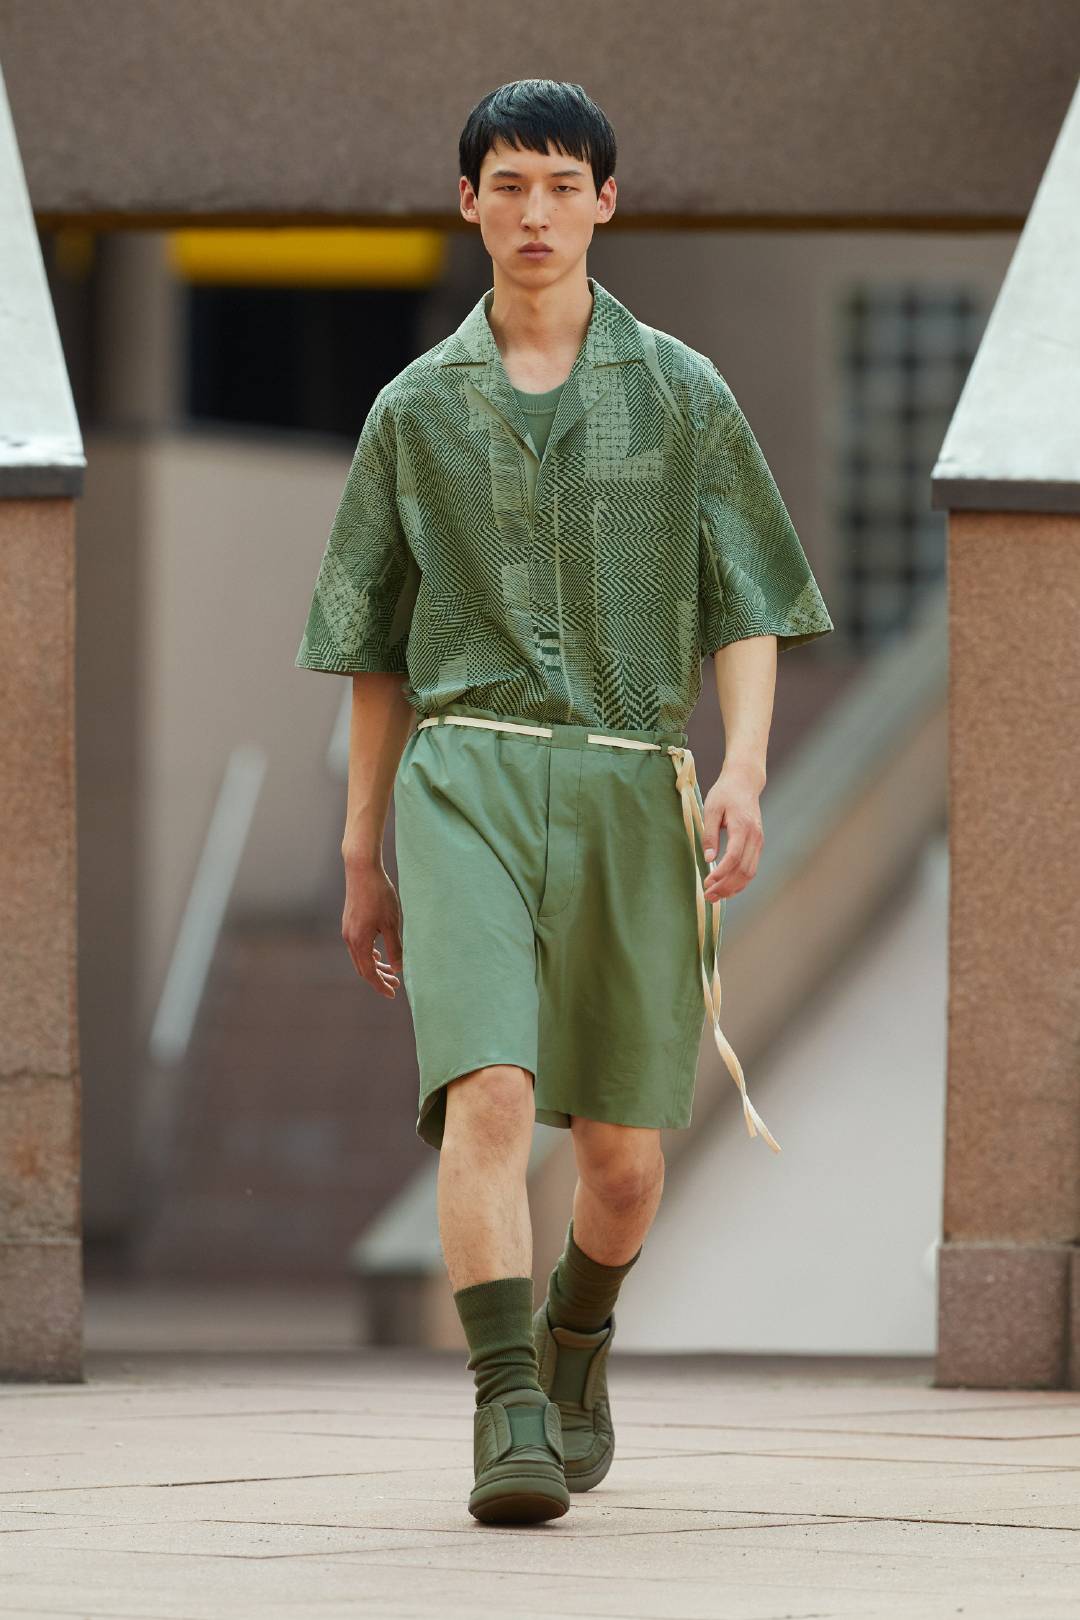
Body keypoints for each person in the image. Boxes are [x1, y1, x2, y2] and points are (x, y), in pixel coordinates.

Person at [294, 78, 834, 1525]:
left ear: (605, 202)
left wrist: (745, 767)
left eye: (560, 185)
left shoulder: (685, 392)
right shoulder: (413, 411)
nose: (534, 211)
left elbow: (752, 601)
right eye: (508, 184)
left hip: (630, 781)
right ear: (468, 202)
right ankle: (505, 1409)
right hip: (464, 774)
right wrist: (359, 849)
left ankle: (575, 1343)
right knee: (490, 1089)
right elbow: (370, 646)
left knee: (624, 1166)